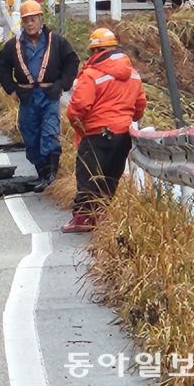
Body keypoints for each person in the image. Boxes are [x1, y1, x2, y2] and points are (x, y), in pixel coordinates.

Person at [62, 28, 147, 233]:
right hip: (123, 135)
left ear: (96, 50)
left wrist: (74, 119)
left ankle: (83, 218)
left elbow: (79, 106)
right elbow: (140, 106)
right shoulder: (133, 75)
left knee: (88, 176)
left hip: (96, 133)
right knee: (111, 176)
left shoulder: (91, 75)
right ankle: (101, 214)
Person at [0, 0, 79, 192]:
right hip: (27, 97)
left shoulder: (56, 41)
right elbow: (2, 67)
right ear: (23, 23)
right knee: (30, 135)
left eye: (33, 19)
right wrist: (13, 89)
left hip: (49, 95)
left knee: (49, 133)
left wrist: (62, 84)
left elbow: (72, 61)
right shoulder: (13, 46)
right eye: (26, 21)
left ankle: (51, 175)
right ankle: (41, 173)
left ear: (41, 19)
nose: (30, 24)